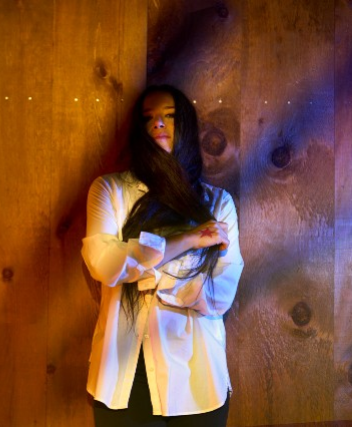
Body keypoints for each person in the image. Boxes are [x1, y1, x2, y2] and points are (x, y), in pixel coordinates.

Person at [81, 84, 244, 427]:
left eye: (169, 116)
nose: (157, 124)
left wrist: (146, 273)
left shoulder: (218, 204)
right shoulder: (109, 190)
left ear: (185, 125)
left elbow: (218, 295)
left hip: (198, 383)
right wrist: (187, 240)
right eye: (148, 118)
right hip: (122, 381)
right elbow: (104, 264)